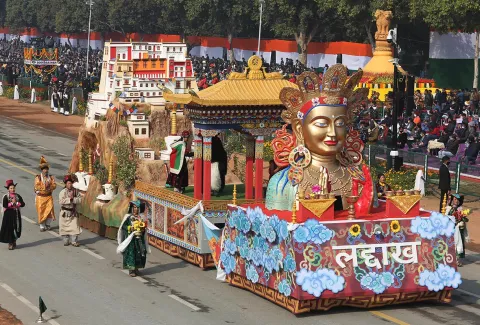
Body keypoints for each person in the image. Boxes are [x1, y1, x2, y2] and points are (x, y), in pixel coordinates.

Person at [117, 200, 150, 277]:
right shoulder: (128, 217)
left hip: (140, 239)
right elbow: (123, 227)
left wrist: (143, 229)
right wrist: (130, 228)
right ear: (132, 208)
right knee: (131, 253)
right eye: (135, 207)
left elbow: (145, 228)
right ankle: (131, 270)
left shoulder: (142, 217)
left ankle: (137, 268)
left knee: (140, 253)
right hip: (131, 240)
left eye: (137, 207)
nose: (136, 209)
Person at [0, 180, 25, 250]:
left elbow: (23, 204)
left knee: (17, 228)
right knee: (9, 228)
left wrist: (16, 203)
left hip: (16, 214)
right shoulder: (6, 196)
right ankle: (10, 243)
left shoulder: (17, 196)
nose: (12, 189)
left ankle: (14, 240)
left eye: (13, 188)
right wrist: (12, 203)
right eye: (11, 188)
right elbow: (5, 205)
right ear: (8, 189)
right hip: (8, 215)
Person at [59, 174, 82, 247]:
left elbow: (80, 199)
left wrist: (74, 199)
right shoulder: (62, 192)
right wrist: (70, 199)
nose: (70, 184)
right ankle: (66, 240)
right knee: (64, 227)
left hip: (73, 212)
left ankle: (74, 241)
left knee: (75, 227)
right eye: (68, 183)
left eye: (71, 183)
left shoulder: (75, 191)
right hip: (65, 213)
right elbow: (61, 201)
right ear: (66, 184)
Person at [445, 194, 468, 266]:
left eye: (458, 200)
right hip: (452, 229)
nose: (456, 201)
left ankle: (457, 260)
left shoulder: (460, 210)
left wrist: (462, 222)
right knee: (453, 243)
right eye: (455, 199)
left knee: (460, 243)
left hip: (459, 229)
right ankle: (450, 259)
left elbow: (462, 218)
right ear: (452, 200)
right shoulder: (450, 209)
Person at [34, 156, 57, 231]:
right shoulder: (38, 178)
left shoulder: (51, 178)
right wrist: (44, 187)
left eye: (47, 169)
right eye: (44, 169)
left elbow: (54, 185)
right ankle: (42, 225)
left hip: (49, 196)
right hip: (41, 197)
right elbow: (36, 187)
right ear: (42, 170)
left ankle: (48, 224)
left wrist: (50, 187)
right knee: (41, 211)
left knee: (49, 210)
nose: (46, 171)